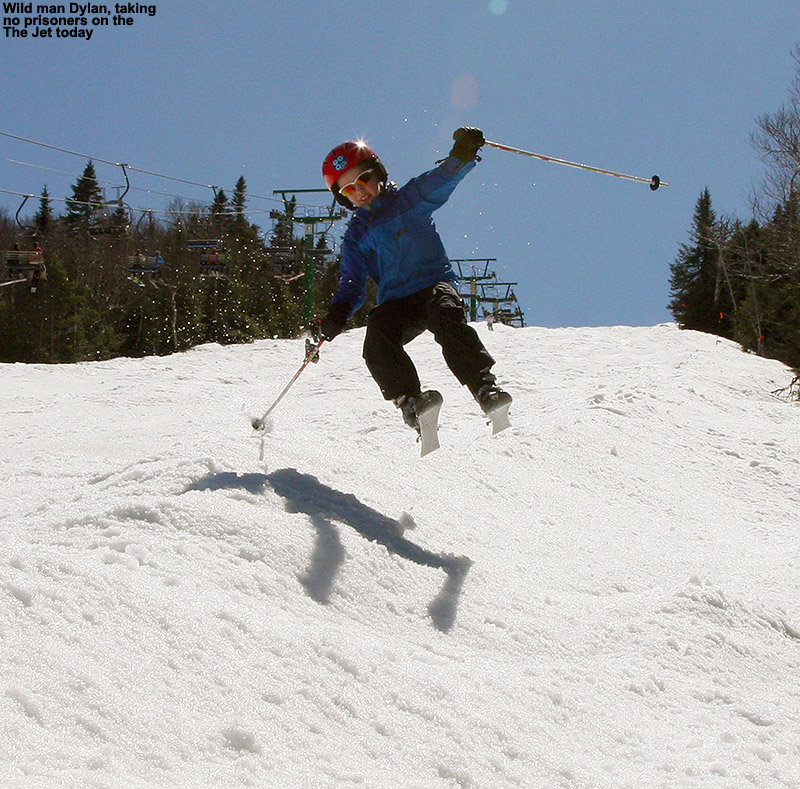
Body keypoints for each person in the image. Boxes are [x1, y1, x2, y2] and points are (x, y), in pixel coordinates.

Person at [319, 127, 511, 436]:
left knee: (446, 316)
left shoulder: (408, 200)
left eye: (363, 179)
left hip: (433, 285)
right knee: (378, 334)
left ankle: (485, 388)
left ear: (378, 173)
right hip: (397, 302)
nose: (360, 191)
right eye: (348, 190)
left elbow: (441, 180)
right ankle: (411, 402)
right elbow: (352, 283)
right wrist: (338, 312)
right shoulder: (356, 236)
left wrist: (462, 155)